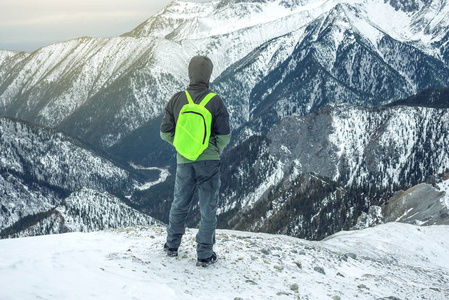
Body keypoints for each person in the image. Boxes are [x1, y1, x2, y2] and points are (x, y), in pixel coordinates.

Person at [160, 56, 231, 266]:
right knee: (207, 208)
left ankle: (172, 246)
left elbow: (165, 133)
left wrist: (182, 146)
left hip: (183, 161)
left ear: (190, 73)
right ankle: (204, 255)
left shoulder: (176, 99)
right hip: (208, 162)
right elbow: (225, 136)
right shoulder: (215, 100)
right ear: (208, 75)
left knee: (180, 203)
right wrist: (212, 149)